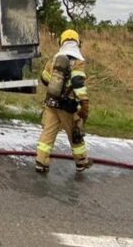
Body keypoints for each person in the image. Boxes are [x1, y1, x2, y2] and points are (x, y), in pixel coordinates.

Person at [35, 29, 92, 174]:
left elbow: (44, 78)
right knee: (74, 133)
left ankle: (41, 162)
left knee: (48, 133)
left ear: (62, 42)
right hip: (67, 106)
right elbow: (78, 82)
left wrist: (56, 86)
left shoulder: (54, 59)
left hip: (51, 103)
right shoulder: (77, 61)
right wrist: (84, 101)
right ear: (78, 43)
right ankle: (81, 162)